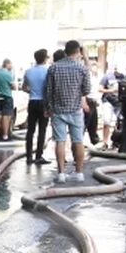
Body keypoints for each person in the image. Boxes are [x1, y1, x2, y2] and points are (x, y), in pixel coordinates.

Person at [44, 40, 91, 183]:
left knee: (60, 141)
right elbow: (87, 90)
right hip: (76, 109)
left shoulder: (54, 68)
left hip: (58, 110)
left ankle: (61, 174)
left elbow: (48, 90)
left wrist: (48, 107)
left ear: (65, 51)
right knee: (78, 141)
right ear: (78, 51)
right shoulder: (82, 68)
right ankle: (79, 173)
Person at [22, 48, 50, 165]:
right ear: (44, 59)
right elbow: (49, 88)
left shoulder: (28, 71)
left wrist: (32, 91)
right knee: (42, 130)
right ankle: (39, 156)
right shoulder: (48, 71)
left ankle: (29, 156)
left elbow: (24, 87)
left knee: (30, 130)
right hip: (43, 102)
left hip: (32, 102)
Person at [98, 63, 124, 149]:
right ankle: (105, 142)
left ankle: (116, 141)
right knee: (106, 121)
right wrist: (111, 90)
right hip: (108, 101)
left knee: (121, 121)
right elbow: (100, 88)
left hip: (119, 102)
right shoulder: (107, 77)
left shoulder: (123, 77)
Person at [0, 58, 16, 140]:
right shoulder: (8, 74)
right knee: (6, 117)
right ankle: (5, 136)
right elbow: (14, 87)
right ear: (7, 64)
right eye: (11, 64)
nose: (11, 66)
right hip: (7, 97)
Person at [84, 58, 102, 146]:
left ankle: (94, 140)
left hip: (94, 101)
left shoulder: (97, 77)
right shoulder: (88, 75)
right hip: (88, 100)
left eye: (96, 64)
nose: (95, 66)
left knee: (93, 123)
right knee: (86, 122)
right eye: (93, 65)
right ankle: (78, 142)